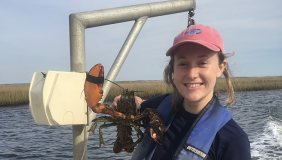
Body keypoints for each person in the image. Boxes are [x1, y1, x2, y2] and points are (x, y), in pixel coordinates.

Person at [112, 24, 251, 160]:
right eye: (183, 64)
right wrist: (133, 100)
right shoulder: (159, 106)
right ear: (173, 69)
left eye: (202, 63)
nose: (191, 74)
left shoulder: (232, 140)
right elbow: (139, 106)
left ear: (220, 68)